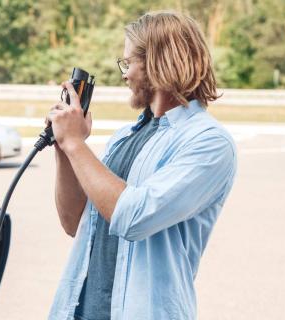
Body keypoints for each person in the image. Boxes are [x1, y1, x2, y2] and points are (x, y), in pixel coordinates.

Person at [47, 11, 237, 320]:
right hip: (79, 312)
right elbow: (73, 222)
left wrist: (76, 145)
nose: (124, 75)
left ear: (157, 62)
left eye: (128, 63)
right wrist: (63, 147)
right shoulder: (125, 136)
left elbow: (134, 217)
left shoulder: (209, 142)